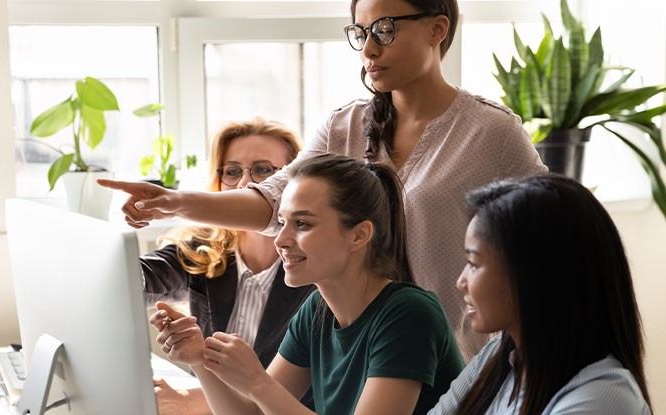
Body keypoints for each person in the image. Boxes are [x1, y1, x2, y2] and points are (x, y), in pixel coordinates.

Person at [99, 0, 547, 358]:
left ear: (437, 28)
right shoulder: (344, 126)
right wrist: (176, 202)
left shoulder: (491, 133)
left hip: (453, 359)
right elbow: (275, 203)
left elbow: (552, 239)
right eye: (362, 33)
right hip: (354, 353)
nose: (370, 49)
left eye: (386, 29)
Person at [151, 153, 464, 415]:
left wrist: (258, 382)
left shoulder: (409, 315)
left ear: (359, 235)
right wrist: (199, 360)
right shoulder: (317, 309)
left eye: (302, 224)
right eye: (283, 222)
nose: (281, 239)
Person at [419, 174, 654, 415]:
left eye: (473, 264)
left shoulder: (605, 399)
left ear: (532, 275)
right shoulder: (495, 358)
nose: (461, 281)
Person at [140, 117, 314, 415]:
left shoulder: (314, 271)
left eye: (263, 170)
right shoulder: (206, 248)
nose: (245, 184)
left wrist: (187, 401)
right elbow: (139, 278)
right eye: (232, 171)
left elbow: (285, 393)